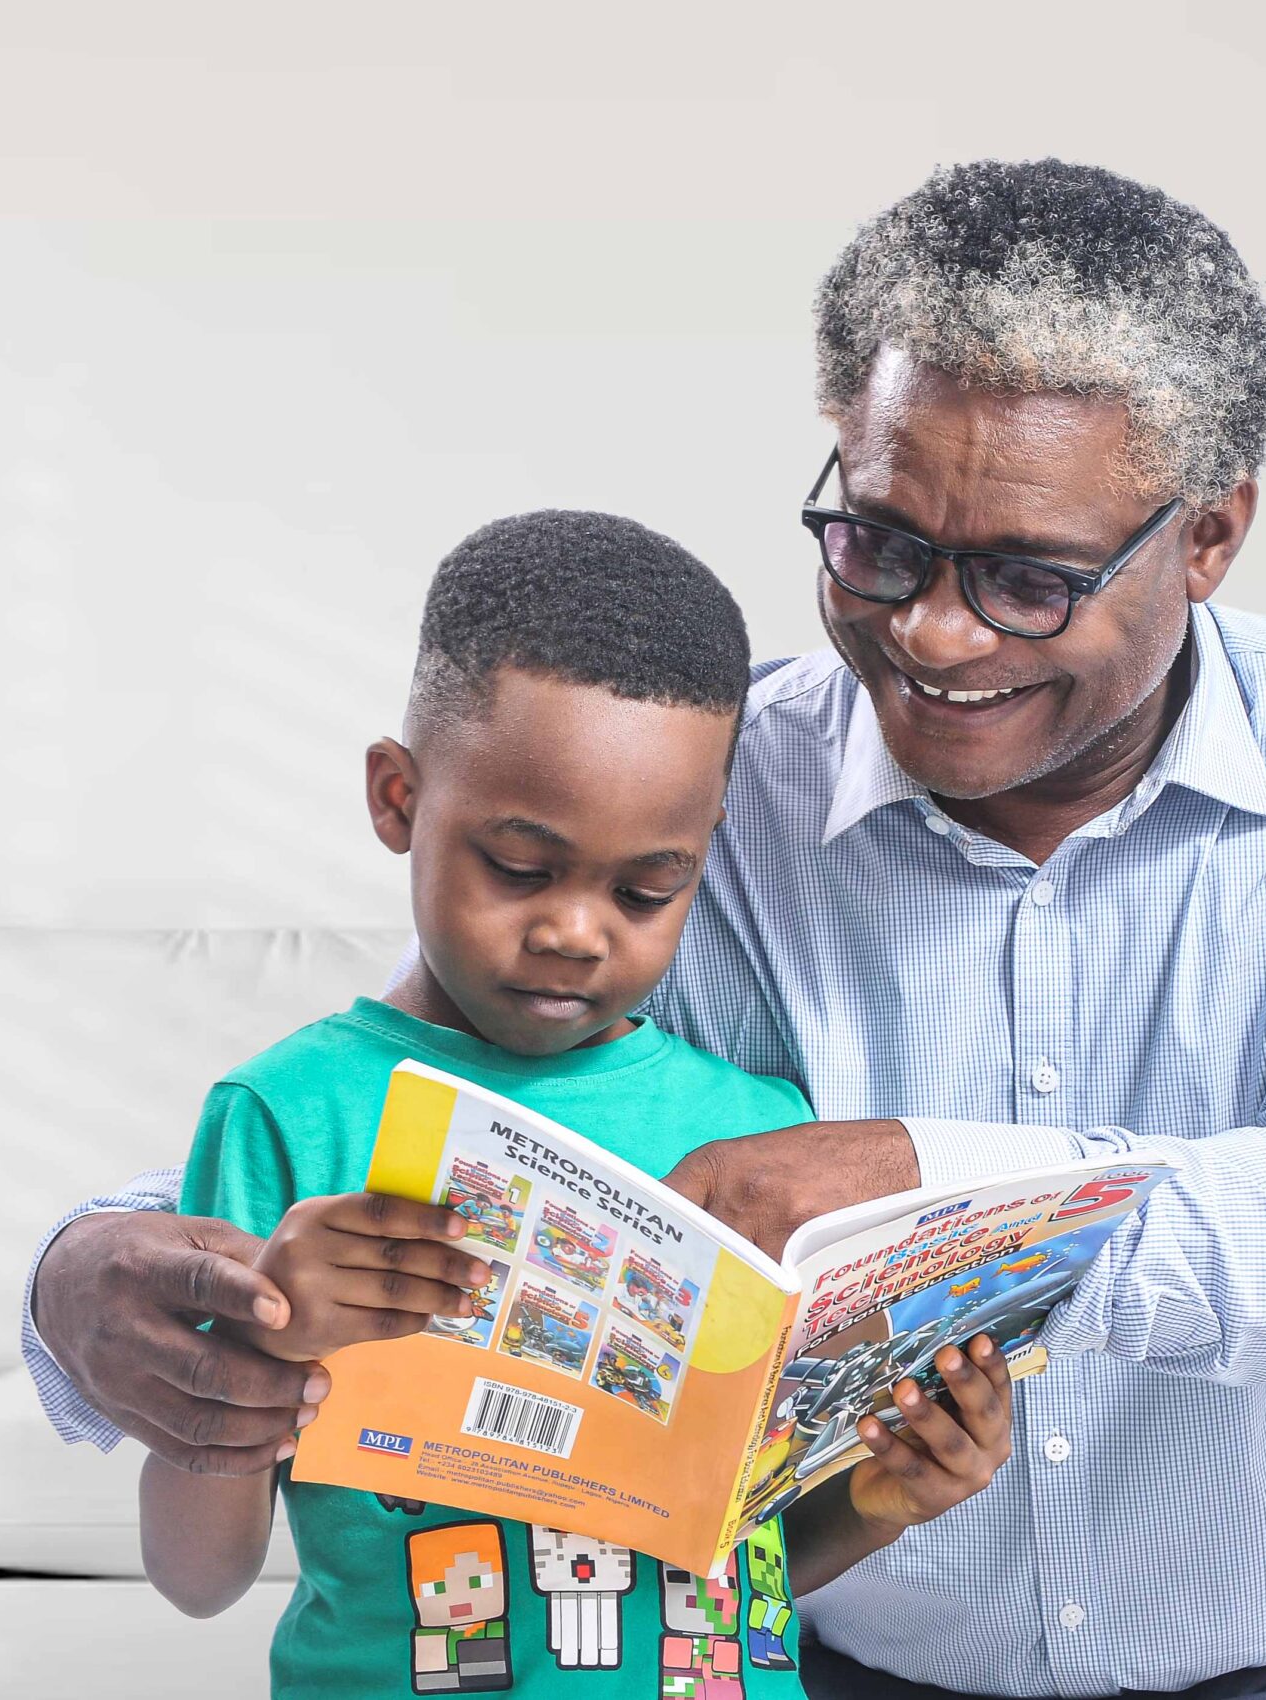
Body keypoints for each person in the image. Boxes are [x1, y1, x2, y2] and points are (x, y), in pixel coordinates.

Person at [29, 160, 1266, 1700]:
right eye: (882, 545)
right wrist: (86, 1267)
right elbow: (483, 1113)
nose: (938, 636)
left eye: (1030, 580)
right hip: (857, 1669)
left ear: (1209, 538)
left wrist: (924, 1184)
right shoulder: (711, 787)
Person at [134, 509, 1015, 1696]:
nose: (573, 931)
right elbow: (195, 1574)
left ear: (704, 849)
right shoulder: (290, 1114)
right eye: (518, 866)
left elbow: (735, 1554)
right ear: (398, 797)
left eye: (648, 888)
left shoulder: (759, 1131)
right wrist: (262, 1337)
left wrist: (883, 1496)